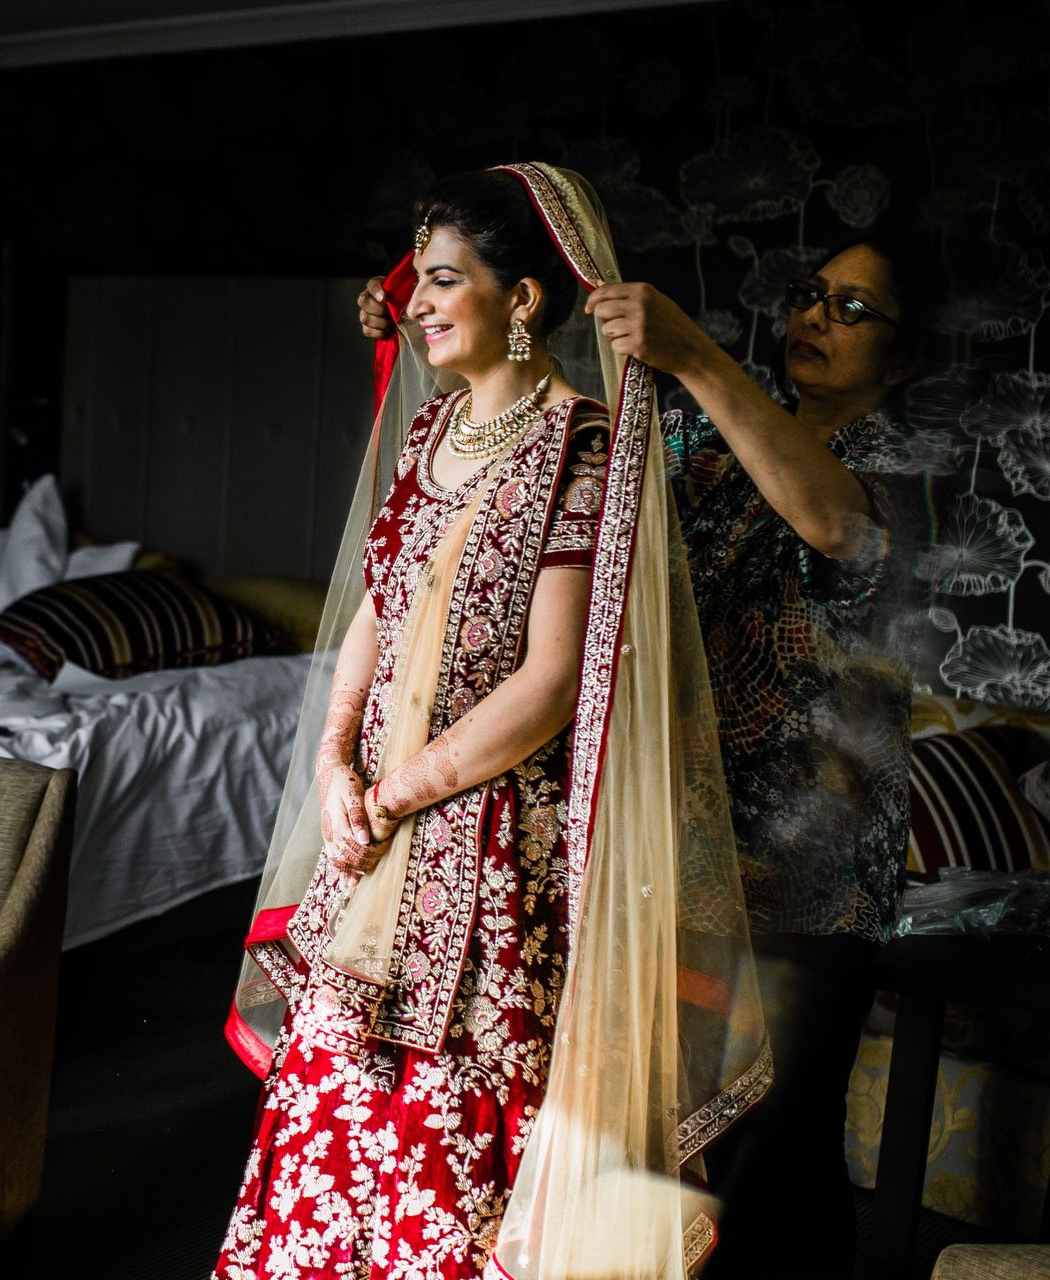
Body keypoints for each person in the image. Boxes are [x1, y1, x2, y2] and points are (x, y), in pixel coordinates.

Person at [221, 164, 767, 1280]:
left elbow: (553, 679)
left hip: (493, 851)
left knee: (458, 1129)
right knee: (330, 1108)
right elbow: (373, 620)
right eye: (417, 282)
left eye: (442, 280)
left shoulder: (583, 445)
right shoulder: (426, 439)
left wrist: (396, 790)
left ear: (521, 299)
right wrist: (333, 765)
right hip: (373, 834)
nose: (415, 303)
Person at [358, 231, 934, 1276]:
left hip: (810, 862)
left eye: (854, 308)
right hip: (681, 845)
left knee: (781, 1136)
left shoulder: (892, 467)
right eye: (811, 294)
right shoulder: (701, 442)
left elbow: (834, 525)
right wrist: (441, 322)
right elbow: (556, 442)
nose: (815, 316)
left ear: (902, 359)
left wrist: (696, 355)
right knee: (681, 1141)